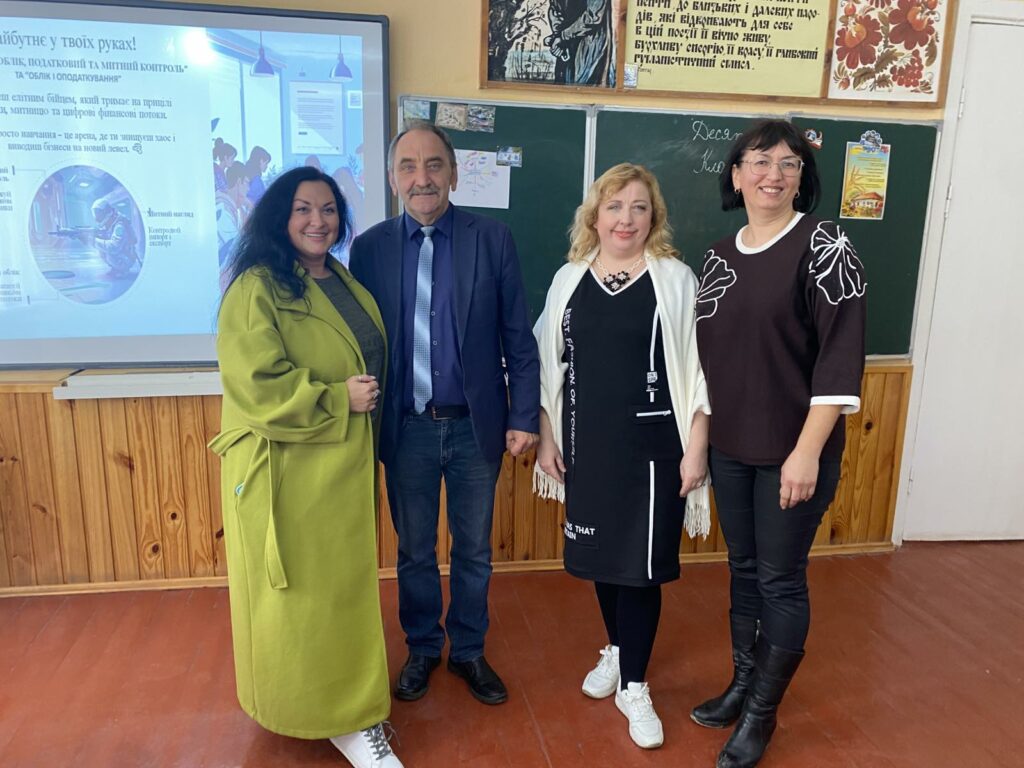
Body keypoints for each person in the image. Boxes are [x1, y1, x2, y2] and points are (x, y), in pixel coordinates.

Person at [209, 166, 403, 768]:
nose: (318, 220)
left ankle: (347, 706)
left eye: (328, 209)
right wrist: (335, 399)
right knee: (303, 602)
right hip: (288, 474)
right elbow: (257, 386)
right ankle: (339, 719)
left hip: (339, 467)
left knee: (339, 595)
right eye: (302, 209)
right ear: (279, 217)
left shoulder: (340, 280)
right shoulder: (256, 287)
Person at [691, 119, 866, 768]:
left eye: (789, 163)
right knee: (742, 570)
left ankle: (761, 715)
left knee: (780, 580)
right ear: (736, 175)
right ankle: (742, 684)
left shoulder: (826, 245)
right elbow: (706, 361)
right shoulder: (717, 257)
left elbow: (839, 362)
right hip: (731, 446)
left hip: (795, 452)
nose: (774, 173)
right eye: (759, 161)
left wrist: (806, 452)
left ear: (802, 178)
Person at [349, 120, 539, 706]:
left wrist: (524, 416)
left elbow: (518, 336)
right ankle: (424, 647)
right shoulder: (369, 249)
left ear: (454, 174)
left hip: (474, 428)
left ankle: (469, 650)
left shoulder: (493, 239)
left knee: (473, 551)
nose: (422, 178)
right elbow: (358, 342)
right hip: (404, 428)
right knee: (413, 552)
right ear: (392, 179)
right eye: (408, 166)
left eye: (434, 164)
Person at [532, 163, 711, 749]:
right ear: (595, 216)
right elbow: (548, 365)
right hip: (587, 446)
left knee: (641, 569)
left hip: (656, 452)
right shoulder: (568, 280)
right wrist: (548, 436)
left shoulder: (675, 280)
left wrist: (697, 449)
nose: (626, 218)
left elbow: (699, 370)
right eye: (614, 206)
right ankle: (616, 647)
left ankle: (634, 684)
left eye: (639, 207)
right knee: (604, 562)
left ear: (653, 217)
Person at [90, 199, 139, 277]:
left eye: (98, 213)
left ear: (105, 211)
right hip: (124, 254)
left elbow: (114, 247)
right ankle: (115, 269)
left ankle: (122, 270)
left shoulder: (119, 225)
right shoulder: (111, 221)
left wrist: (92, 240)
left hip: (127, 257)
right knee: (102, 250)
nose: (97, 216)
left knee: (109, 253)